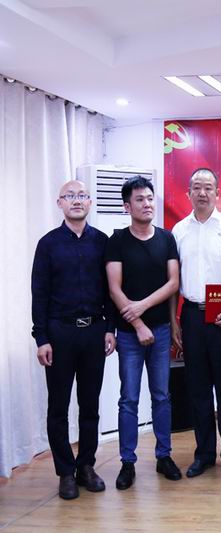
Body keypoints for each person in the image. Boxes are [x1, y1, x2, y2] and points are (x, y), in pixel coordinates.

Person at [31, 180, 116, 500]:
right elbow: (39, 294)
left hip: (94, 331)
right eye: (70, 196)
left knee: (90, 404)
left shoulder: (103, 242)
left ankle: (86, 466)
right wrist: (41, 338)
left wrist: (109, 328)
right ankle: (65, 472)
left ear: (90, 202)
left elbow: (111, 290)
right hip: (59, 334)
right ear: (60, 203)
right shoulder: (48, 244)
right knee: (58, 406)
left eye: (82, 196)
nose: (76, 201)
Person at [106, 176, 182, 489]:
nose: (147, 204)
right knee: (129, 398)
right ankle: (128, 462)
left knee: (162, 396)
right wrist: (137, 323)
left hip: (161, 331)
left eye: (150, 198)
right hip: (128, 335)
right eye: (139, 199)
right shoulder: (117, 241)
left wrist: (143, 307)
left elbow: (173, 282)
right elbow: (114, 288)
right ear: (127, 206)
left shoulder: (166, 238)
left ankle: (164, 456)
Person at [170, 168, 221, 479]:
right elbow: (173, 281)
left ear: (218, 192)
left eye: (208, 188)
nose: (202, 193)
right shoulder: (178, 231)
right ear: (188, 193)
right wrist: (174, 321)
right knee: (197, 389)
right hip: (191, 315)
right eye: (197, 187)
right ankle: (203, 455)